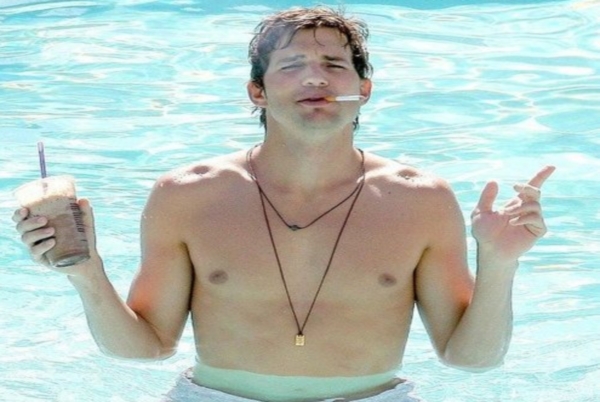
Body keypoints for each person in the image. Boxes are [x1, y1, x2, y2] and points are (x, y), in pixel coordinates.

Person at [13, 6, 555, 402]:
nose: (316, 77)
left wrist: (500, 262)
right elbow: (144, 348)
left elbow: (471, 360)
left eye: (334, 64)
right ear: (258, 92)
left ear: (364, 90)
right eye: (292, 65)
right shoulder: (188, 195)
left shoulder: (421, 200)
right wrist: (86, 273)